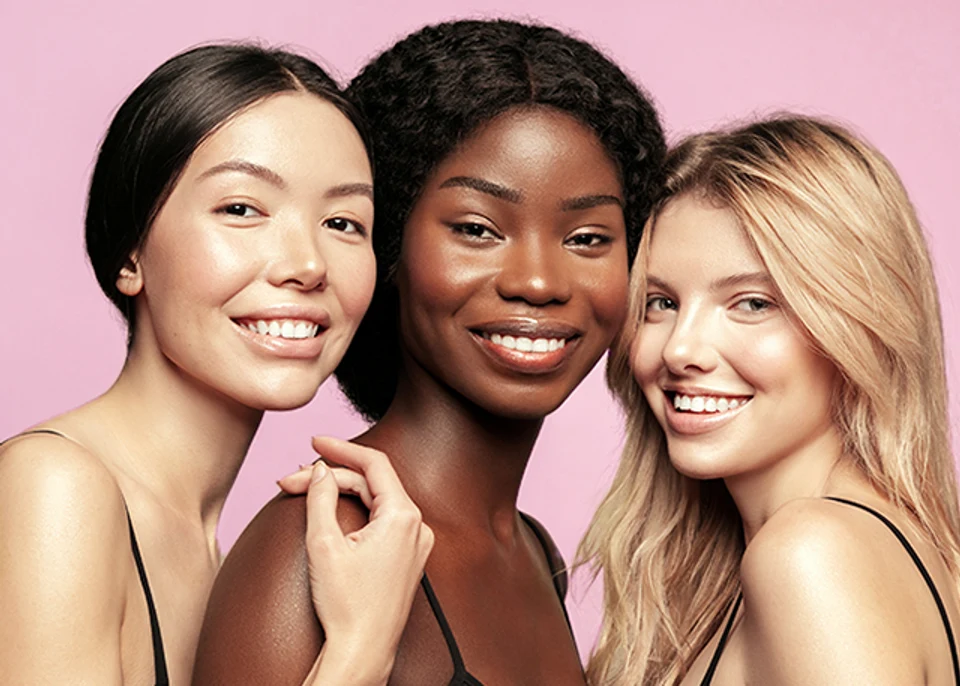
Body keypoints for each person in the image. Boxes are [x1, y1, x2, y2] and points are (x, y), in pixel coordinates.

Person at [192, 19, 665, 685]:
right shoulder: (318, 541)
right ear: (390, 246)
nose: (538, 281)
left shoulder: (535, 552)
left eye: (588, 238)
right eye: (476, 229)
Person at [0, 44, 432, 685]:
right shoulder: (54, 487)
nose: (307, 264)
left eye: (343, 222)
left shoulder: (217, 551)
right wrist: (360, 649)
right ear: (130, 253)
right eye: (241, 209)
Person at [578, 115, 960, 685]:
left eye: (752, 303)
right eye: (660, 302)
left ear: (859, 327)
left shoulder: (811, 557)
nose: (681, 348)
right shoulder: (871, 547)